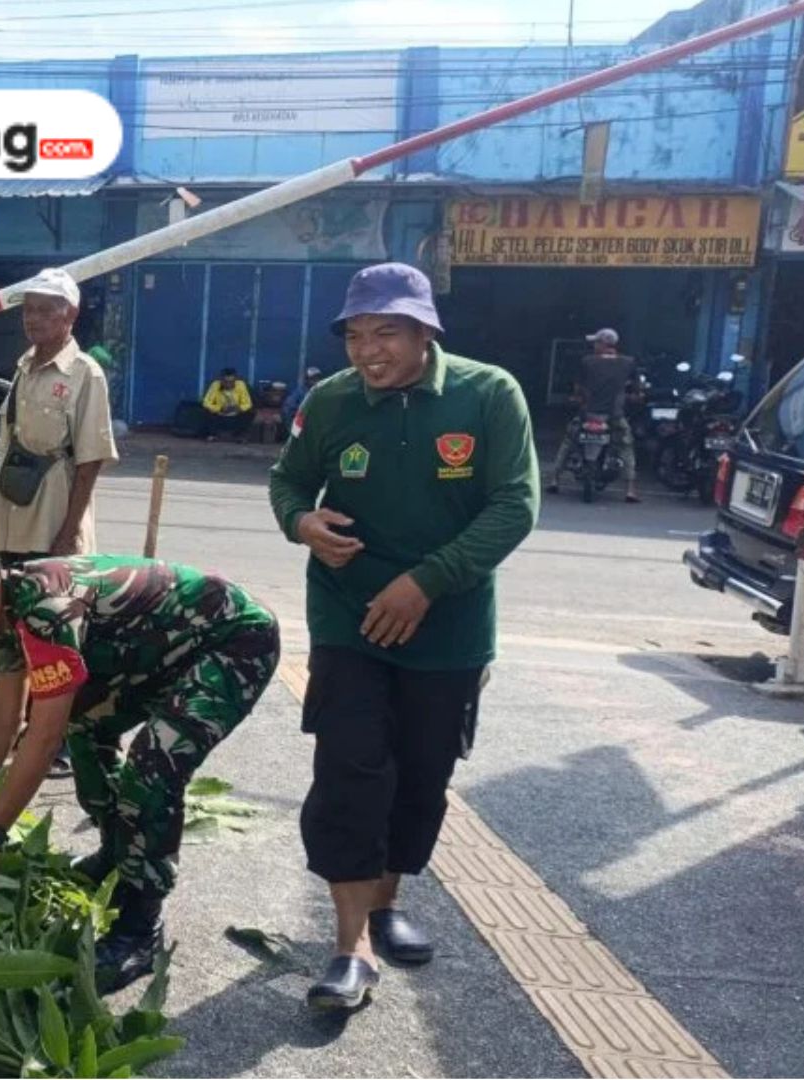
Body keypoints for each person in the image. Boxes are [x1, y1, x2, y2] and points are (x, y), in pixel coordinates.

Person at [267, 262, 537, 1011]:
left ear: (426, 331)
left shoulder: (489, 396)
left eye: (385, 331)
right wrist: (301, 522)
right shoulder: (330, 403)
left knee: (421, 776)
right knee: (351, 770)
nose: (368, 350)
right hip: (348, 619)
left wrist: (426, 582)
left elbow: (515, 506)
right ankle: (349, 945)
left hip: (448, 627)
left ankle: (386, 903)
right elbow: (288, 481)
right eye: (356, 334)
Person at [0, 538, 280, 992]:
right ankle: (118, 848)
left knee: (155, 760)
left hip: (232, 643)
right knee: (84, 726)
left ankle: (140, 928)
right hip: (157, 653)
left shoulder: (47, 609)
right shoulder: (8, 616)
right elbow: (3, 719)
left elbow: (42, 740)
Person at [0, 267, 118, 562]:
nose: (32, 318)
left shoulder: (85, 374)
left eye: (44, 310)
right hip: (8, 520)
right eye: (28, 310)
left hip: (51, 528)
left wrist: (68, 534)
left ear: (70, 314)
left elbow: (90, 462)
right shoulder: (23, 368)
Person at [549, 328, 640, 503]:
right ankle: (630, 490)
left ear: (602, 344)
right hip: (615, 416)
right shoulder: (628, 362)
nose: (593, 346)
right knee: (626, 446)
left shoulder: (587, 361)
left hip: (588, 414)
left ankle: (555, 479)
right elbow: (637, 390)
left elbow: (577, 389)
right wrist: (634, 396)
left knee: (568, 441)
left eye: (596, 343)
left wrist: (577, 398)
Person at [201, 367, 255, 440]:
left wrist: (239, 408)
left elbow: (248, 403)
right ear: (221, 380)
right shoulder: (215, 385)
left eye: (231, 382)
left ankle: (240, 435)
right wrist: (219, 408)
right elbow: (206, 402)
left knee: (249, 413)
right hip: (219, 415)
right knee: (206, 411)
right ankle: (212, 435)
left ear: (235, 380)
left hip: (235, 415)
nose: (228, 384)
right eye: (225, 381)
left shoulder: (241, 385)